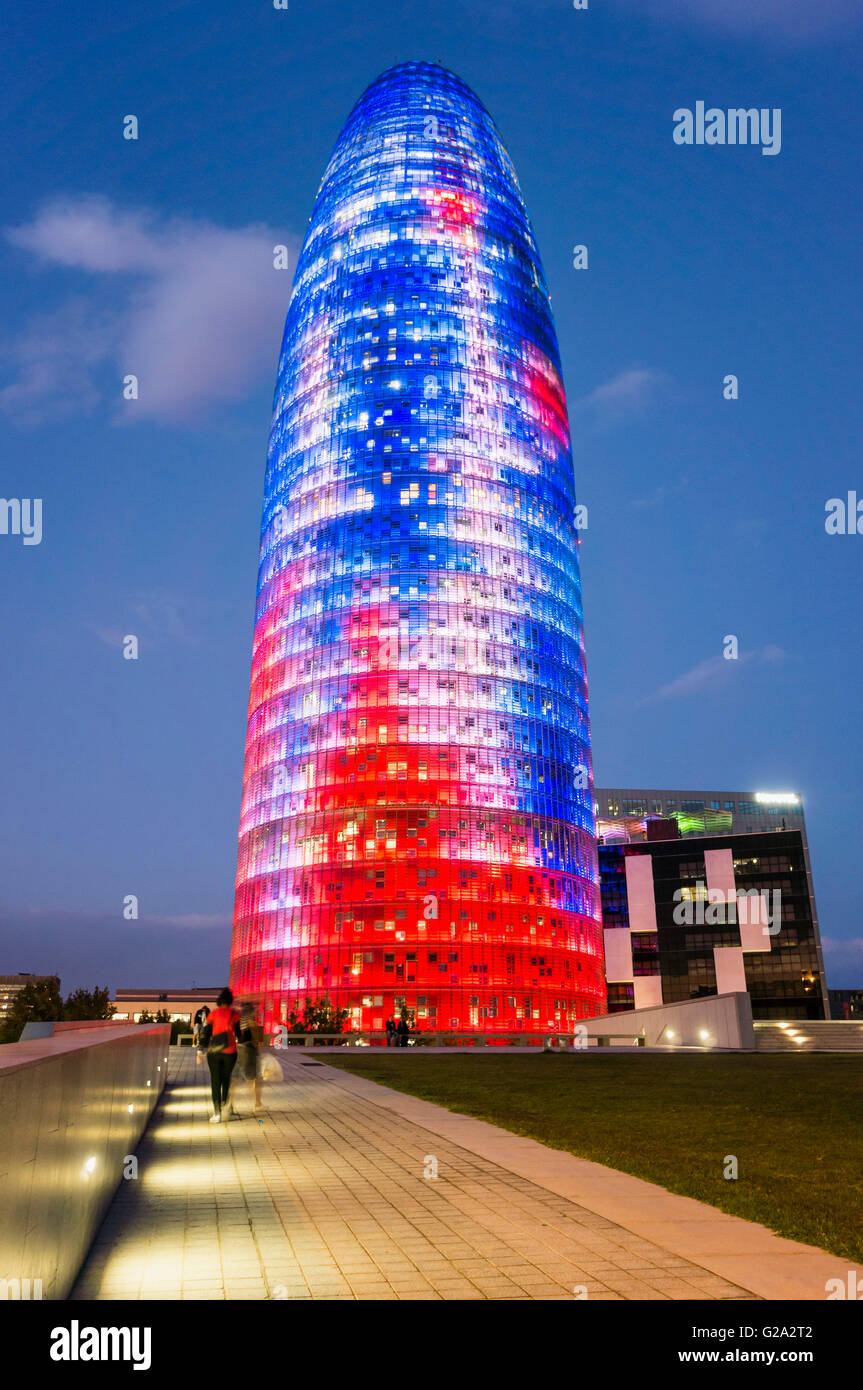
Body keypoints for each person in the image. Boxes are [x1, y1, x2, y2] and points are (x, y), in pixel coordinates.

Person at [200, 988, 240, 1122]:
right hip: (230, 1051)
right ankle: (224, 1104)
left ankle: (217, 1113)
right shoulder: (235, 1014)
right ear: (230, 1001)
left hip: (214, 1051)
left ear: (219, 1001)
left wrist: (200, 1050)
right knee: (226, 1078)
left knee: (215, 1080)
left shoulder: (214, 1014)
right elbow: (239, 1033)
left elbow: (207, 1031)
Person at [236, 1001, 263, 1115]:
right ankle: (257, 1103)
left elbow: (237, 1036)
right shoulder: (251, 1022)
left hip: (239, 1048)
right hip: (249, 1049)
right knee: (257, 1077)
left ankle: (229, 1102)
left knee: (238, 1076)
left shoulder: (238, 1022)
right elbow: (258, 1039)